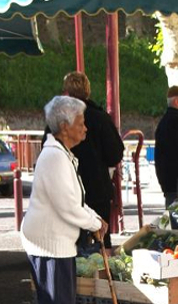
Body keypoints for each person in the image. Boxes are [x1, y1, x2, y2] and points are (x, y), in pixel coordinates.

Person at [23, 96, 107, 304]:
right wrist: (95, 222)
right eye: (80, 123)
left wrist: (94, 217)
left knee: (53, 302)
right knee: (59, 303)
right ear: (63, 126)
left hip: (49, 239)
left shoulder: (60, 154)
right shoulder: (55, 158)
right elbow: (67, 207)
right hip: (49, 242)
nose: (85, 128)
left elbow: (73, 199)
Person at [42, 72, 124, 248]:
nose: (84, 129)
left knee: (73, 244)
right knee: (100, 244)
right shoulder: (100, 117)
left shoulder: (58, 121)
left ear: (66, 92)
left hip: (69, 191)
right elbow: (115, 154)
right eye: (80, 126)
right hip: (96, 188)